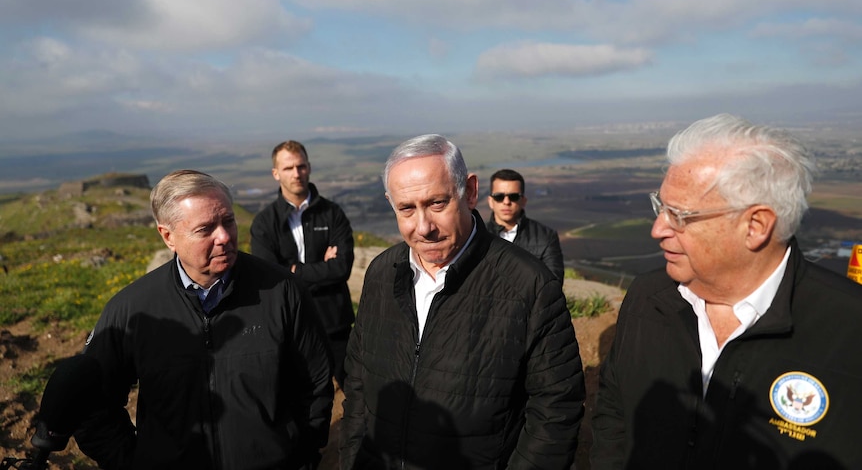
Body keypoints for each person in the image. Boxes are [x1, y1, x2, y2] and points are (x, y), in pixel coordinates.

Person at [591, 114, 862, 469]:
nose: (658, 229)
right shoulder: (649, 298)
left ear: (756, 226)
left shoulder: (849, 330)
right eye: (661, 207)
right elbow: (615, 410)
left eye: (680, 216)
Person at [340, 134, 585, 469]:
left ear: (469, 192)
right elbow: (357, 382)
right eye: (407, 209)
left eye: (437, 203)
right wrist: (354, 459)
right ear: (390, 203)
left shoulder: (529, 285)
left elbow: (557, 409)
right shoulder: (382, 274)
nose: (423, 227)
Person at [75, 170, 334, 470]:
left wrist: (301, 457)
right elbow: (90, 406)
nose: (224, 236)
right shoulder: (133, 309)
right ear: (167, 236)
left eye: (228, 221)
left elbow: (316, 385)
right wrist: (136, 461)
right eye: (205, 228)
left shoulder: (282, 292)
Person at [251, 140, 355, 389]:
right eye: (288, 168)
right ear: (276, 173)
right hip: (290, 323)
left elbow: (342, 268)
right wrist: (321, 269)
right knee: (298, 396)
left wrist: (294, 270)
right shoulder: (265, 223)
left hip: (335, 322)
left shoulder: (332, 214)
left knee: (353, 390)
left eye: (301, 166)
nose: (296, 174)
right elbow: (269, 277)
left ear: (309, 167)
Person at [485, 168, 565, 280]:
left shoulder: (546, 237)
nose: (506, 202)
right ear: (490, 201)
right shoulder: (476, 235)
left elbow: (553, 284)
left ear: (523, 201)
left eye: (513, 196)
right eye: (499, 197)